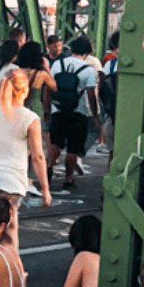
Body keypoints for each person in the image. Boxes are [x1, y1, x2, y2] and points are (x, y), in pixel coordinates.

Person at [0, 70, 51, 250]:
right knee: (9, 233)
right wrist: (45, 189)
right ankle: (12, 274)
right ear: (25, 91)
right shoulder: (31, 118)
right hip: (12, 182)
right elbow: (38, 157)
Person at [46, 36, 99, 190]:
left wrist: (46, 108)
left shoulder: (57, 64)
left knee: (55, 143)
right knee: (72, 148)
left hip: (58, 110)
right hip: (78, 112)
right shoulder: (88, 70)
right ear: (88, 51)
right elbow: (91, 96)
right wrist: (94, 115)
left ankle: (49, 169)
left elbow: (49, 88)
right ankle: (68, 179)